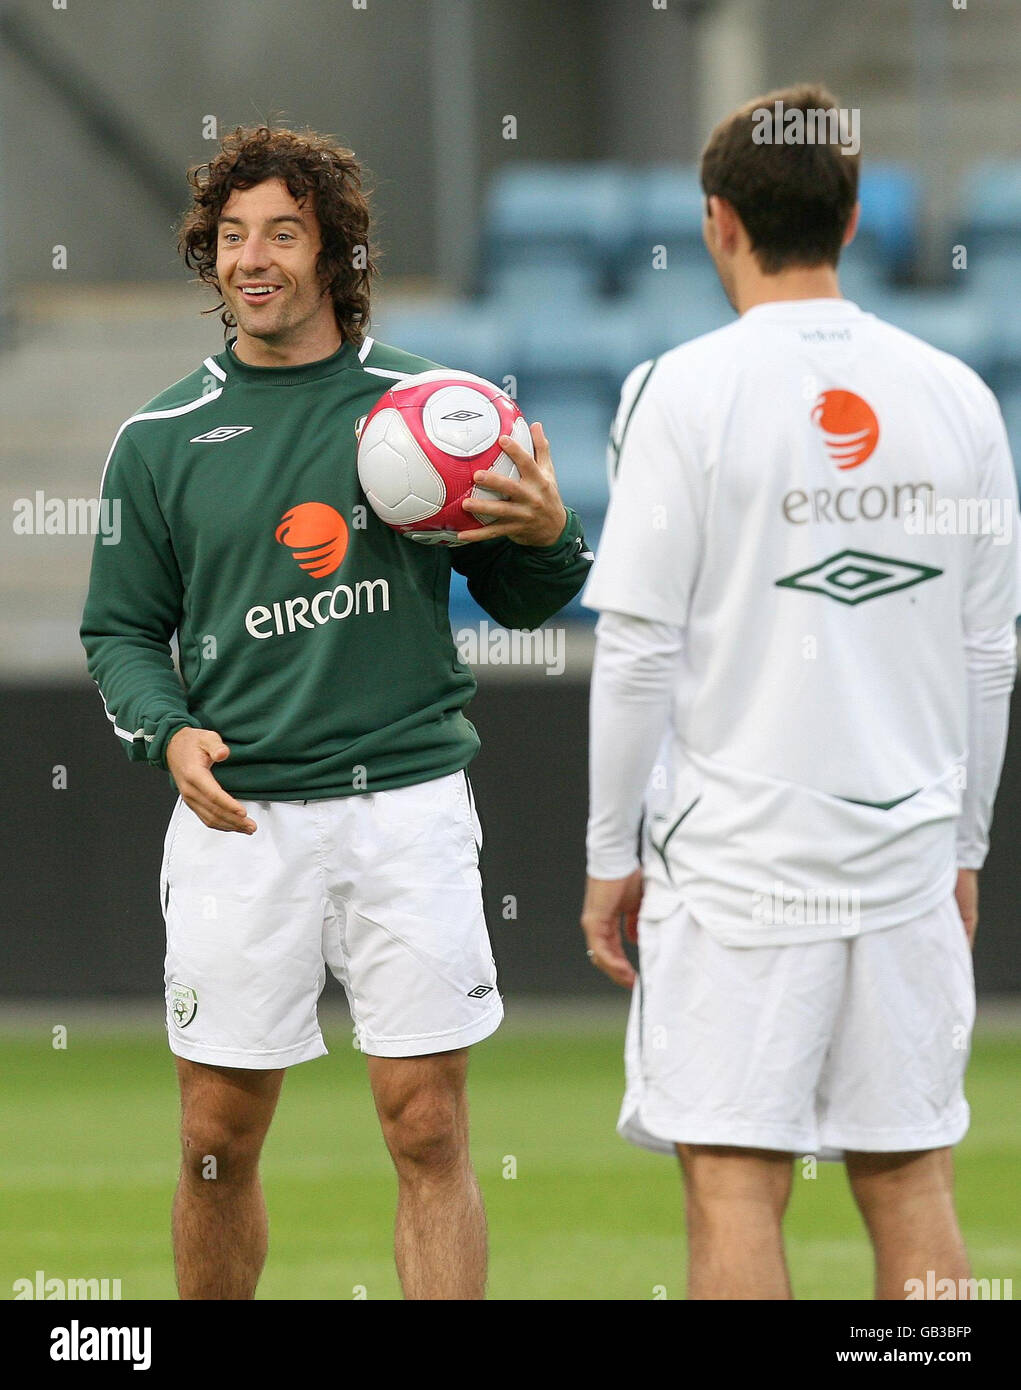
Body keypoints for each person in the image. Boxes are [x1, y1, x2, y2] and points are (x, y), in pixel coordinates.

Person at [80, 124, 591, 1301]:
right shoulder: (158, 441)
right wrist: (168, 728)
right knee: (215, 1139)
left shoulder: (431, 412)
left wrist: (547, 527)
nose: (251, 258)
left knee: (427, 1128)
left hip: (403, 805)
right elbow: (117, 630)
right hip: (239, 825)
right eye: (231, 236)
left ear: (334, 253)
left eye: (283, 234)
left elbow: (525, 594)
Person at [580, 84, 1019, 1300]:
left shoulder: (681, 390)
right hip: (905, 860)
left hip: (735, 869)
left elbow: (635, 648)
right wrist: (964, 840)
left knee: (733, 1181)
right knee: (910, 1181)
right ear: (855, 210)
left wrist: (609, 850)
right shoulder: (958, 393)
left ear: (718, 219)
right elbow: (991, 648)